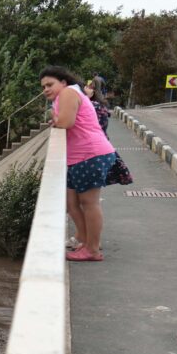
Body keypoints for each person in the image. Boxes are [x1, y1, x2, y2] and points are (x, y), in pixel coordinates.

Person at [40, 66, 118, 262]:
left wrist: (56, 118)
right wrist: (57, 118)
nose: (46, 90)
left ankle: (92, 249)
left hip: (90, 153)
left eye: (50, 84)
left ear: (63, 82)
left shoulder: (67, 93)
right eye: (43, 87)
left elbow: (65, 122)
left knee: (89, 203)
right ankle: (84, 239)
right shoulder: (65, 96)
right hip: (79, 156)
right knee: (72, 203)